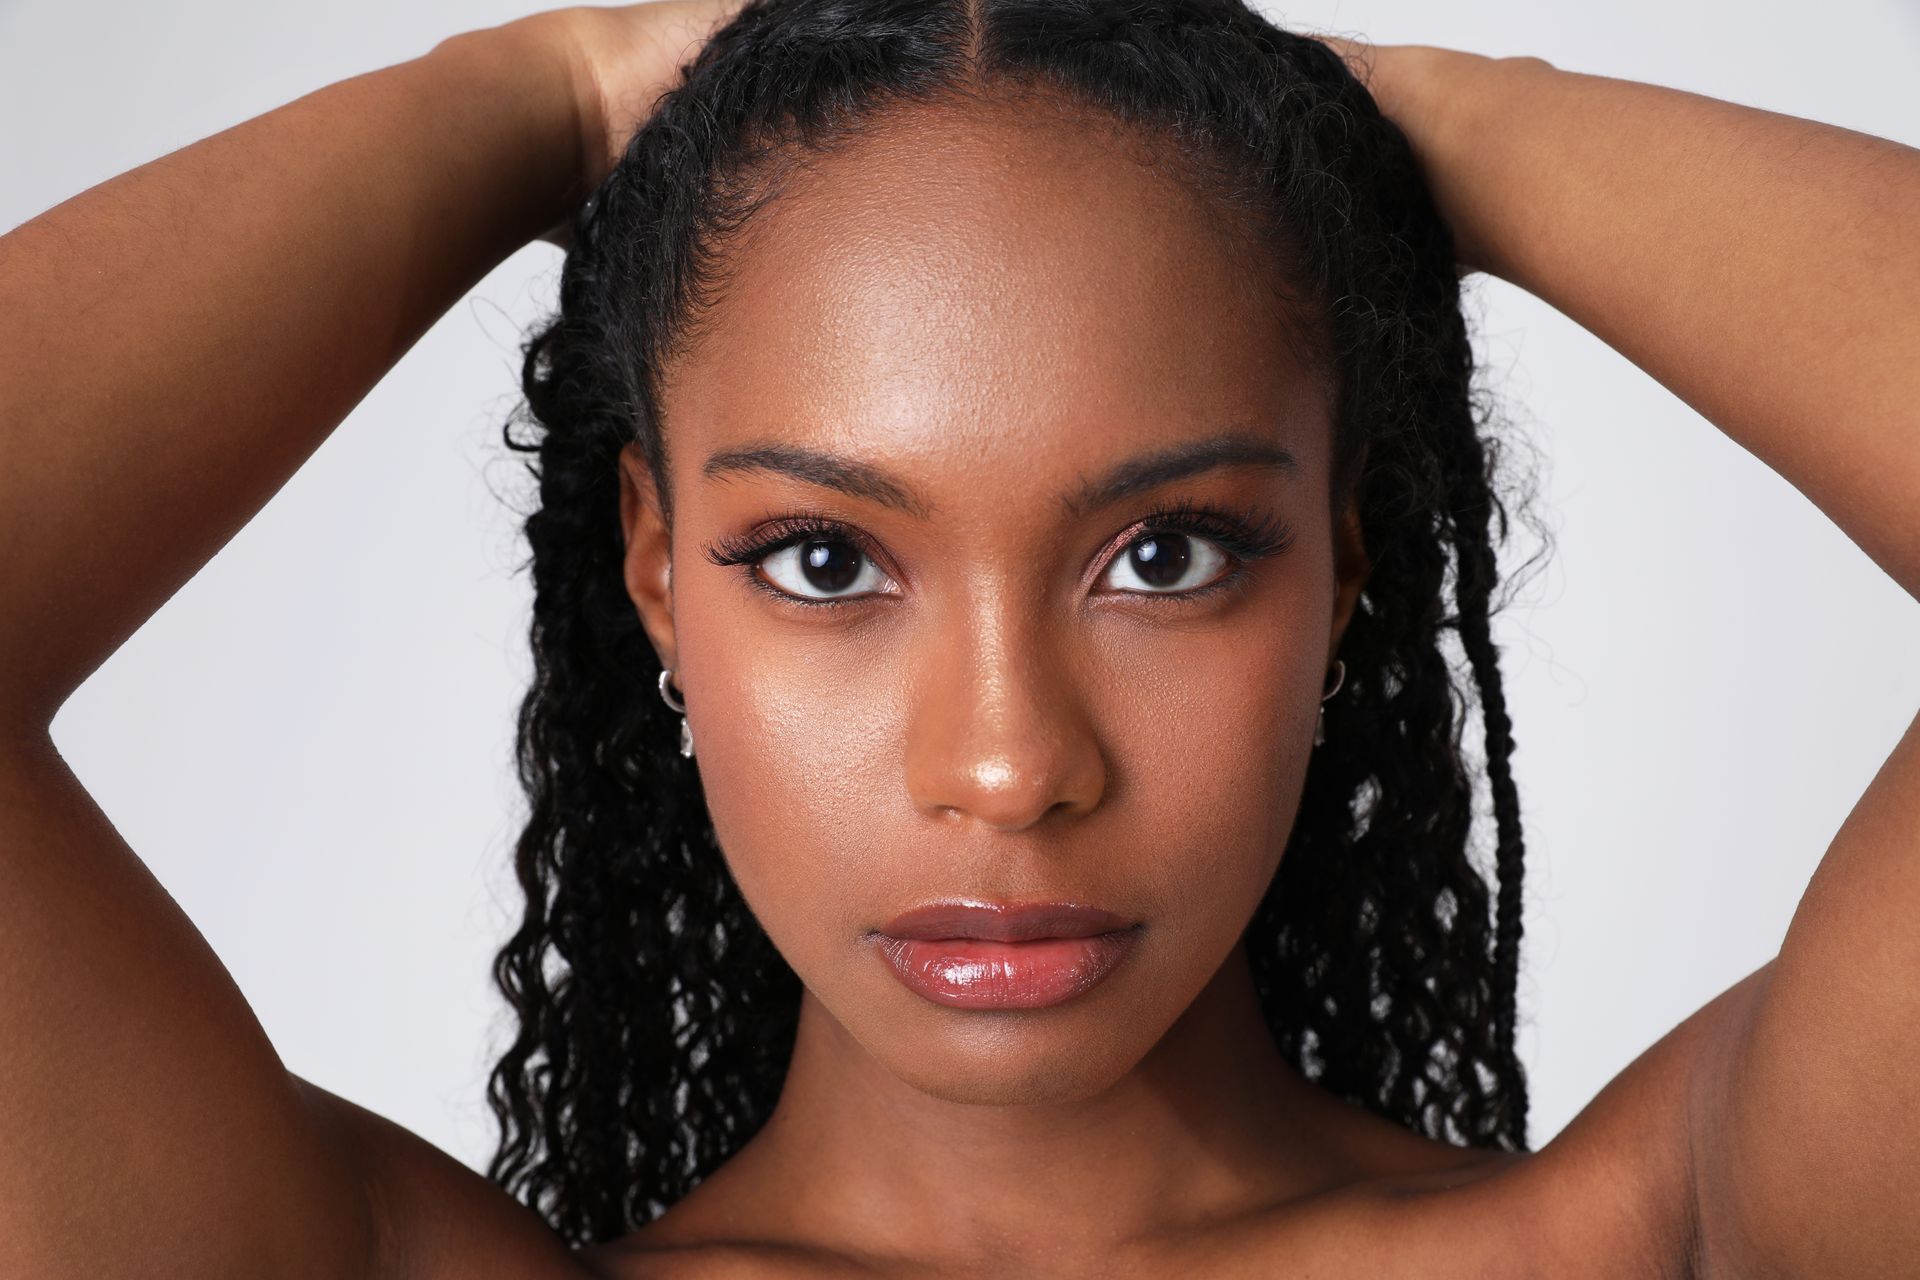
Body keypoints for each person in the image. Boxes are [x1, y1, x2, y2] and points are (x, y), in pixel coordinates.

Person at [2, 0, 1914, 1274]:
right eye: (827, 560)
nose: (1007, 766)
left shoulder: (1677, 1240)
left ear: (1343, 566)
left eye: (1168, 554)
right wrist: (536, 95)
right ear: (656, 568)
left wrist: (1432, 125)